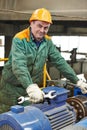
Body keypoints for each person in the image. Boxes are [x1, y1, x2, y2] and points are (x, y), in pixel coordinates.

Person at [0, 8, 87, 113]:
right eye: (39, 26)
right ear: (31, 23)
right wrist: (30, 87)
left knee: (27, 118)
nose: (42, 31)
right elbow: (19, 65)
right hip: (12, 88)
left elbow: (60, 62)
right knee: (7, 118)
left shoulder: (47, 42)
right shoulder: (20, 39)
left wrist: (77, 81)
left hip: (32, 89)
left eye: (46, 28)